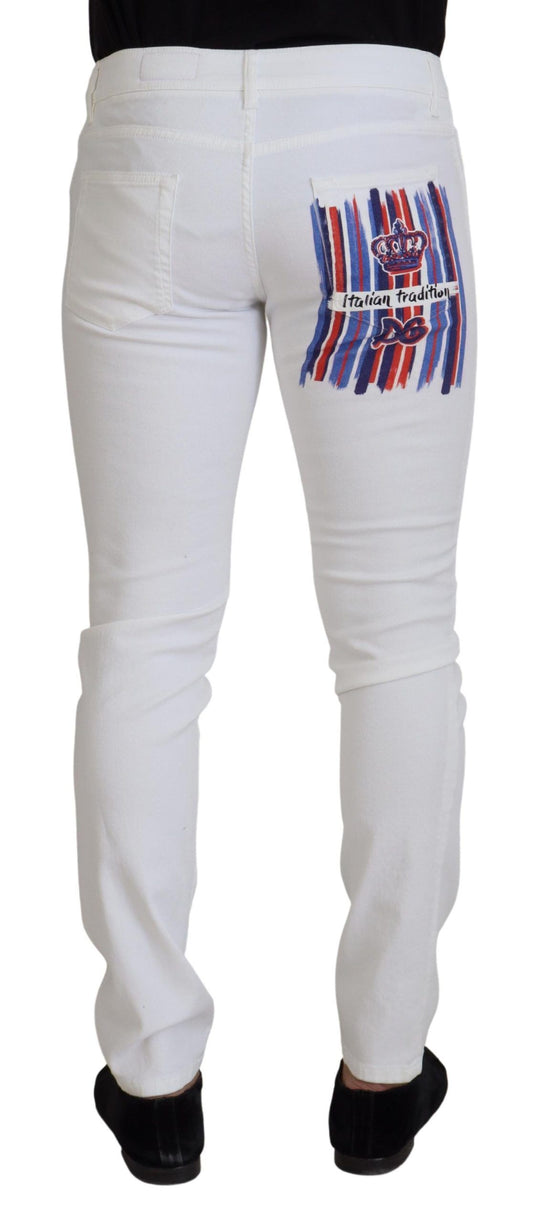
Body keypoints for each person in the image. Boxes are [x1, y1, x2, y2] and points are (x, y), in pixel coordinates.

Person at [62, 0, 476, 1182]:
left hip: (152, 124)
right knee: (397, 634)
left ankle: (153, 1076)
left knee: (142, 636)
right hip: (372, 136)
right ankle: (383, 1068)